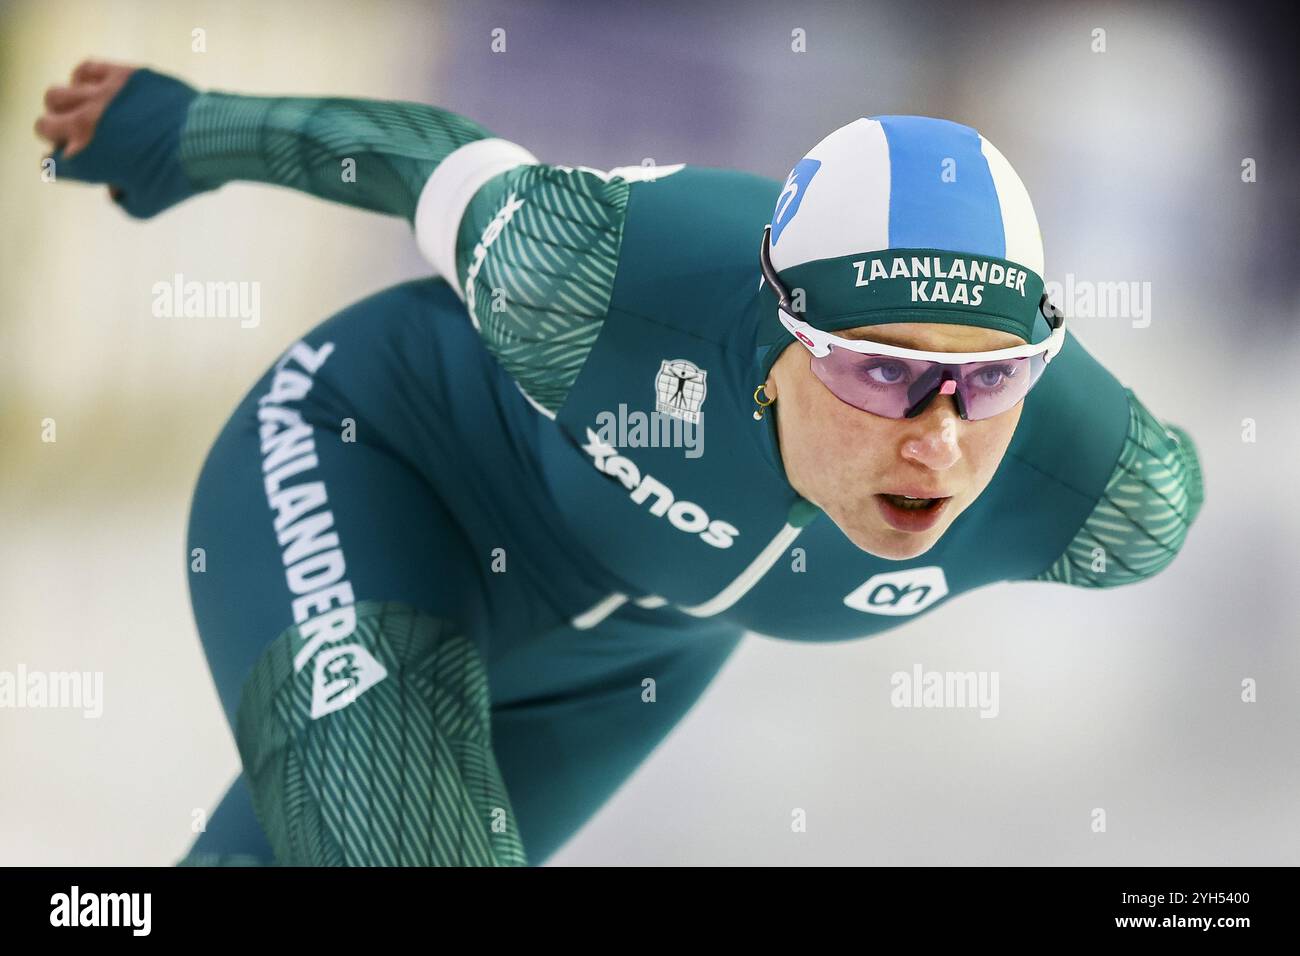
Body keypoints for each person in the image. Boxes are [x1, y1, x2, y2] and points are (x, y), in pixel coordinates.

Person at [36, 62, 1204, 866]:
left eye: (992, 378)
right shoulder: (588, 281)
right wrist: (187, 129)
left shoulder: (1106, 491)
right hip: (382, 463)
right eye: (876, 370)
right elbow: (418, 157)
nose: (939, 435)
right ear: (779, 332)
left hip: (629, 650)